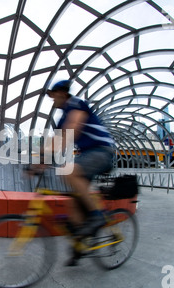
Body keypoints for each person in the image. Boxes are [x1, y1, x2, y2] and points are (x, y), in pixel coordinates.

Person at [46, 80, 115, 265]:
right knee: (74, 201)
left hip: (102, 151)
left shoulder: (76, 104)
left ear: (61, 93)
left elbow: (73, 128)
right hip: (88, 153)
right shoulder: (62, 117)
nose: (52, 101)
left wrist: (47, 157)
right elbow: (57, 139)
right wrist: (39, 162)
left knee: (69, 171)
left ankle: (96, 216)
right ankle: (80, 247)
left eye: (53, 96)